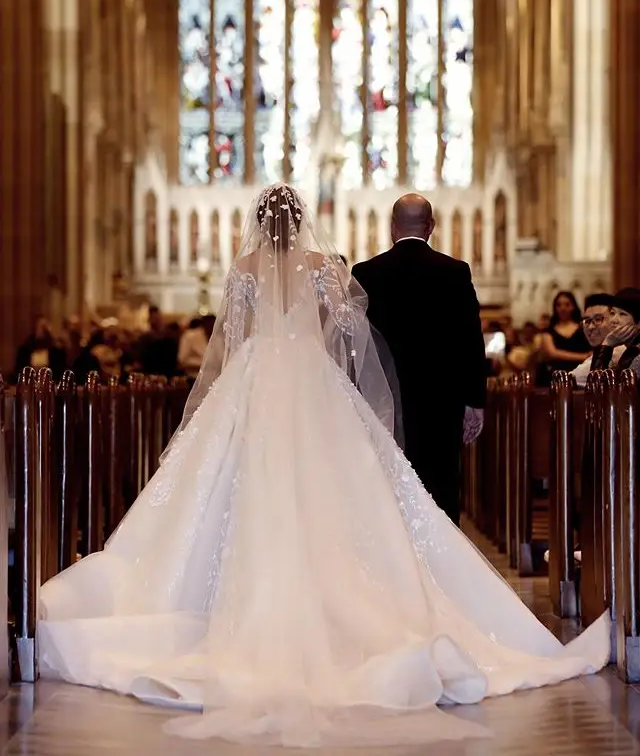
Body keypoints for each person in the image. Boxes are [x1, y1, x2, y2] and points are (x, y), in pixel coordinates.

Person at [38, 184, 609, 750]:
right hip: (310, 379)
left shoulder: (242, 268)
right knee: (327, 484)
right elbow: (350, 325)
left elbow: (229, 340)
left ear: (259, 223)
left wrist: (222, 395)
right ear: (302, 221)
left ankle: (227, 601)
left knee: (237, 486)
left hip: (255, 379)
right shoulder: (322, 266)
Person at [352, 194, 486, 526]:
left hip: (384, 399)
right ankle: (441, 562)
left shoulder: (366, 273)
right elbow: (470, 339)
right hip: (441, 400)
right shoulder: (455, 272)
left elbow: (355, 341)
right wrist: (474, 402)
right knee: (439, 482)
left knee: (387, 480)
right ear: (431, 227)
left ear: (392, 227)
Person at [537, 291, 591, 386]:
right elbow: (552, 353)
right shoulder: (548, 331)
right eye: (559, 305)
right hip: (554, 376)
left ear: (573, 306)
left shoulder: (583, 328)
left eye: (567, 304)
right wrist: (584, 356)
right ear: (555, 308)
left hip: (580, 376)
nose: (563, 308)